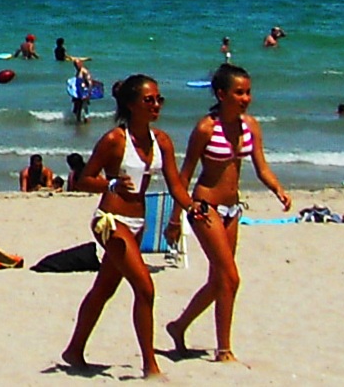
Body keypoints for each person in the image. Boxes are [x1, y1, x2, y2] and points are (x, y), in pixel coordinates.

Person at [62, 75, 192, 378]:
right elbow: (83, 180)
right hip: (110, 221)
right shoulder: (114, 140)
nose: (156, 104)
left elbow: (175, 184)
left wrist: (191, 208)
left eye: (159, 99)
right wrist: (110, 182)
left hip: (138, 223)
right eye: (149, 100)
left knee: (104, 288)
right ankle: (150, 365)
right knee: (145, 288)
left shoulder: (162, 141)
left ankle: (74, 350)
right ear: (132, 105)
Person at [169, 63, 292, 365]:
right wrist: (175, 217)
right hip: (204, 206)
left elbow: (261, 167)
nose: (246, 98)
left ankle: (179, 326)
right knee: (230, 278)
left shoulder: (251, 126)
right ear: (221, 94)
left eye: (248, 92)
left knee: (218, 280)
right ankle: (224, 349)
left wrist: (278, 189)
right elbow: (184, 176)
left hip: (232, 210)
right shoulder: (205, 128)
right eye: (239, 92)